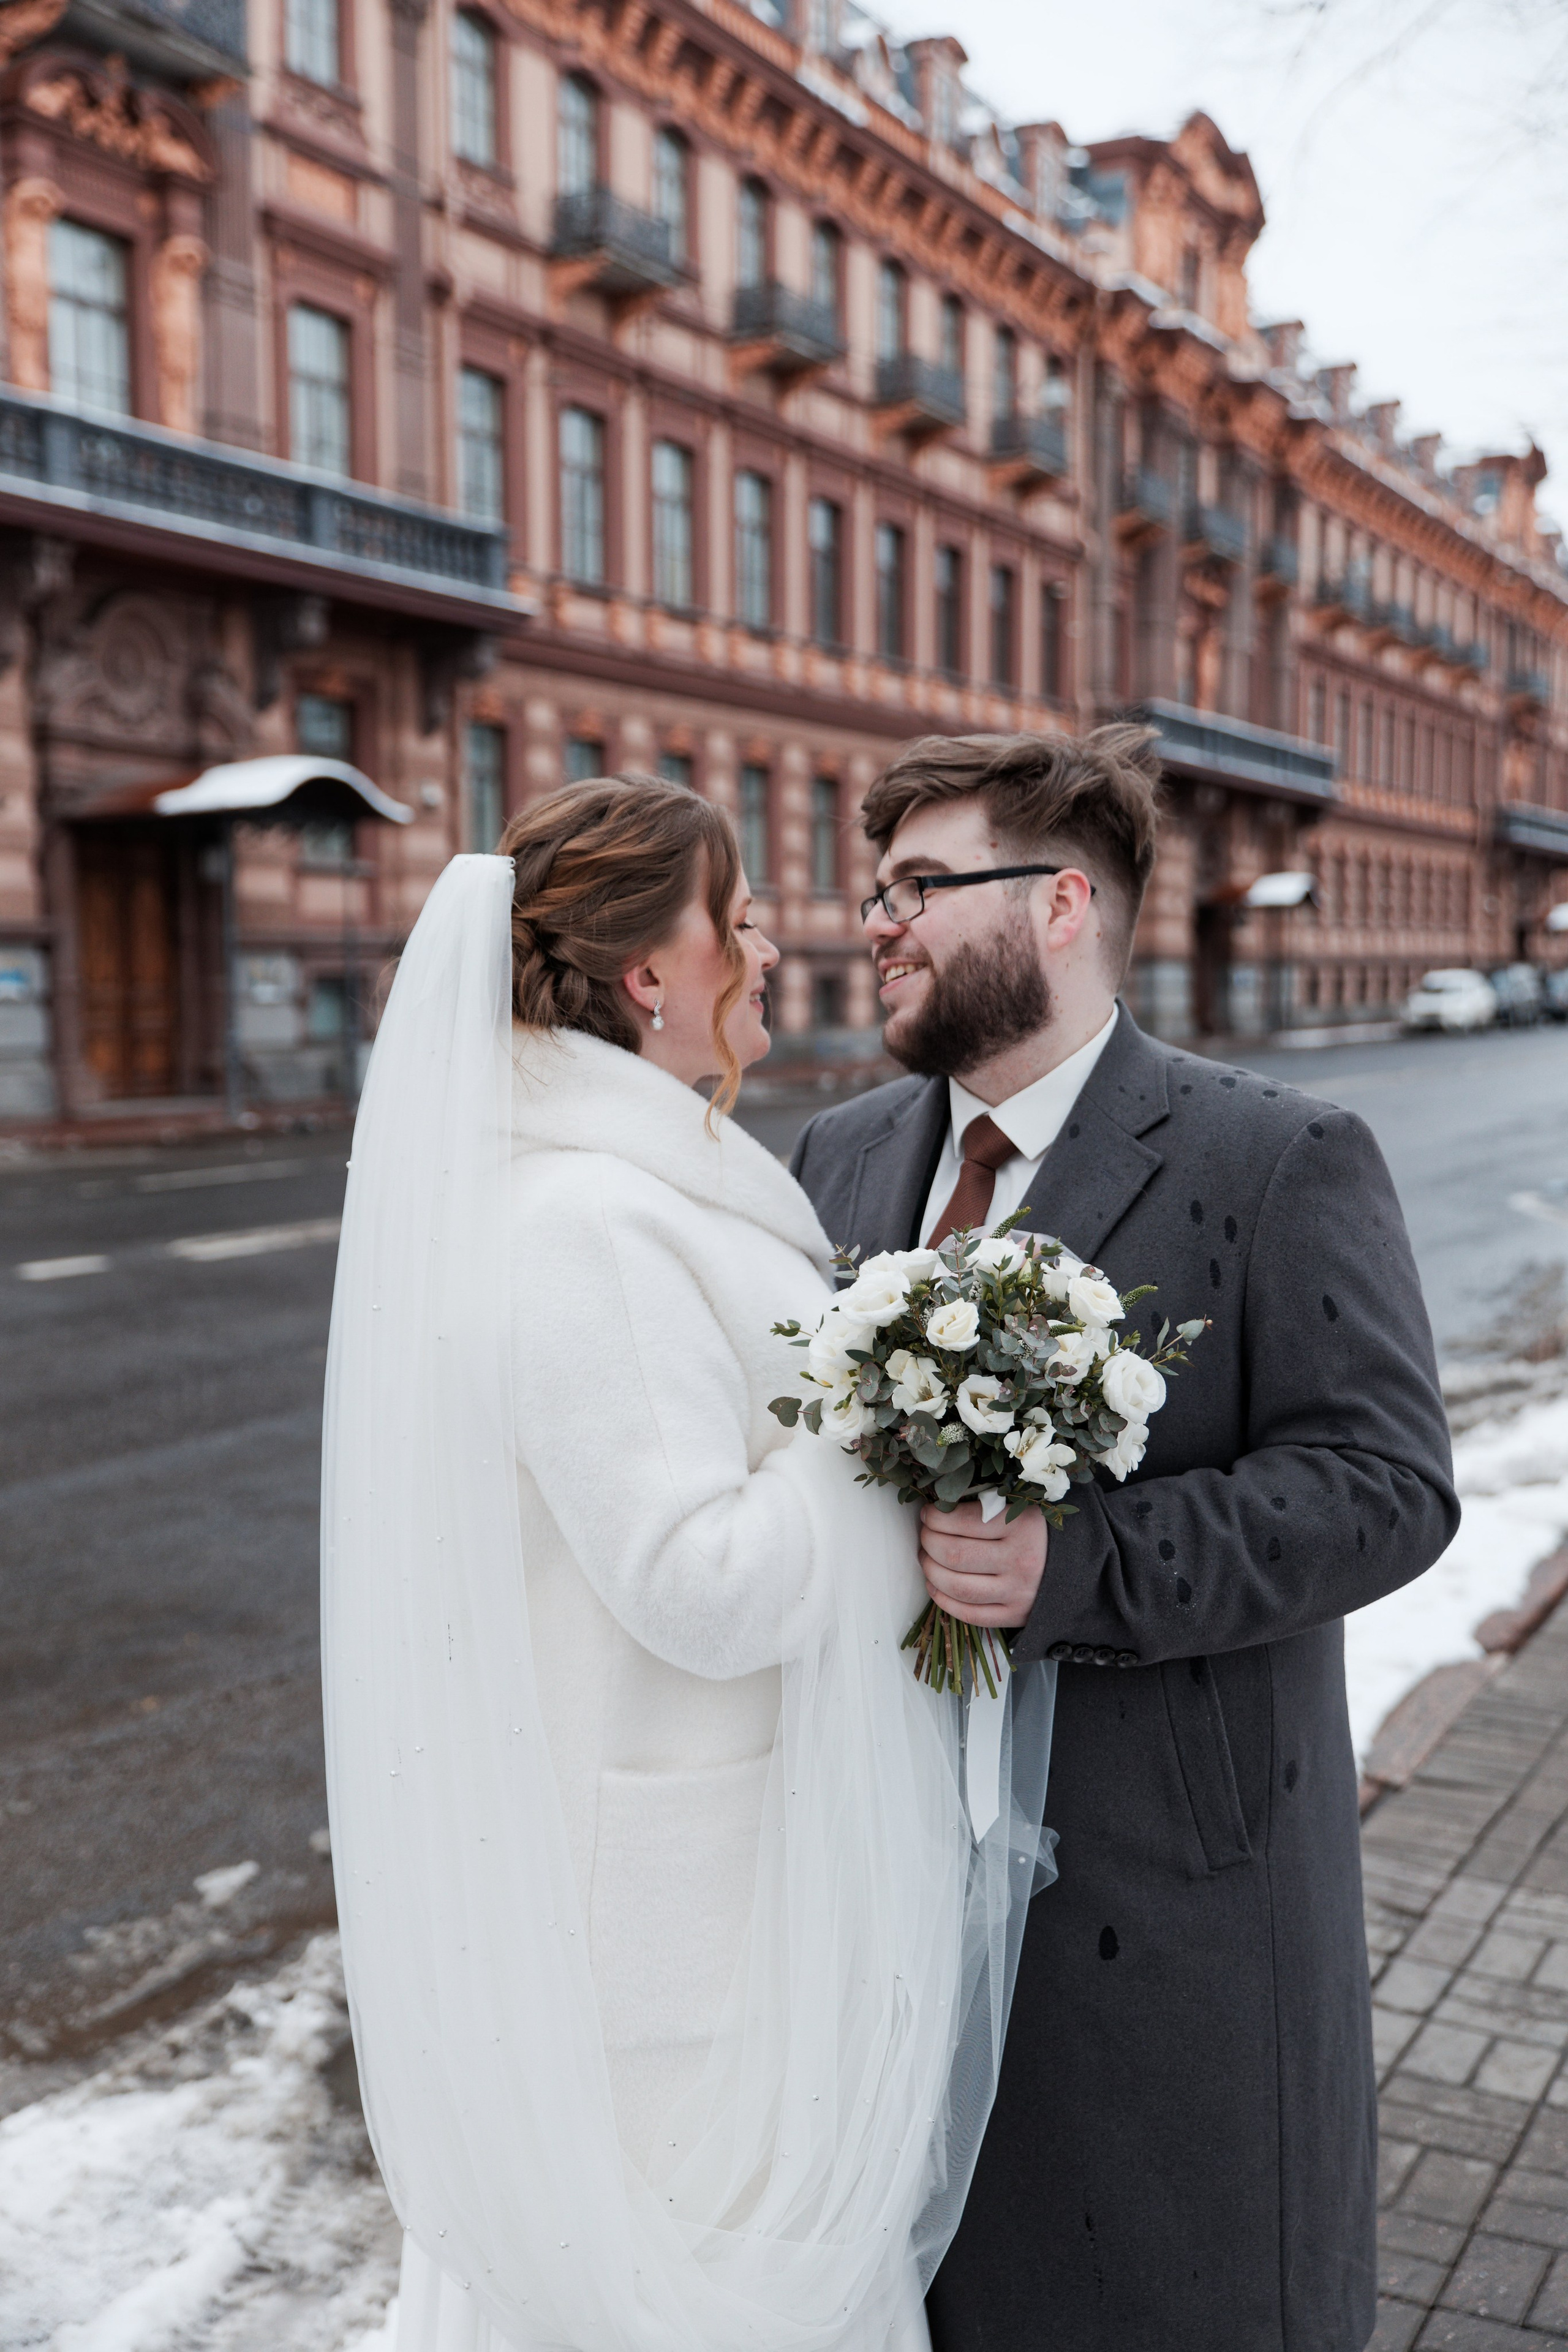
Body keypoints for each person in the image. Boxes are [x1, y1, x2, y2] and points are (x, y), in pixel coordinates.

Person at [319, 774, 1052, 2352]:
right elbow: (699, 1578)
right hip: (673, 1954)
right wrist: (889, 1422)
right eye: (740, 921)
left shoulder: (631, 1186)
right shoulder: (588, 1224)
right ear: (650, 974)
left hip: (704, 1914)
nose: (772, 948)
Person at [790, 726, 1460, 2352]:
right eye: (876, 891)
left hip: (1163, 1903)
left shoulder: (1276, 1158)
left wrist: (1075, 1566)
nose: (876, 924)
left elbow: (1388, 1484)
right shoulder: (841, 1154)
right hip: (880, 1889)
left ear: (1062, 904)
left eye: (920, 887)